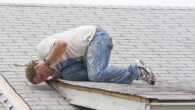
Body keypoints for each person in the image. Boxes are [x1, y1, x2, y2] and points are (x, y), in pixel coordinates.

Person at [25, 25, 155, 85]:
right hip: (86, 55)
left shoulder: (42, 51)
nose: (46, 76)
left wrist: (46, 63)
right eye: (44, 79)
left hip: (95, 38)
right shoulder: (55, 70)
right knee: (69, 75)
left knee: (96, 74)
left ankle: (136, 70)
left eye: (42, 74)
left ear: (37, 65)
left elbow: (61, 44)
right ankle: (106, 71)